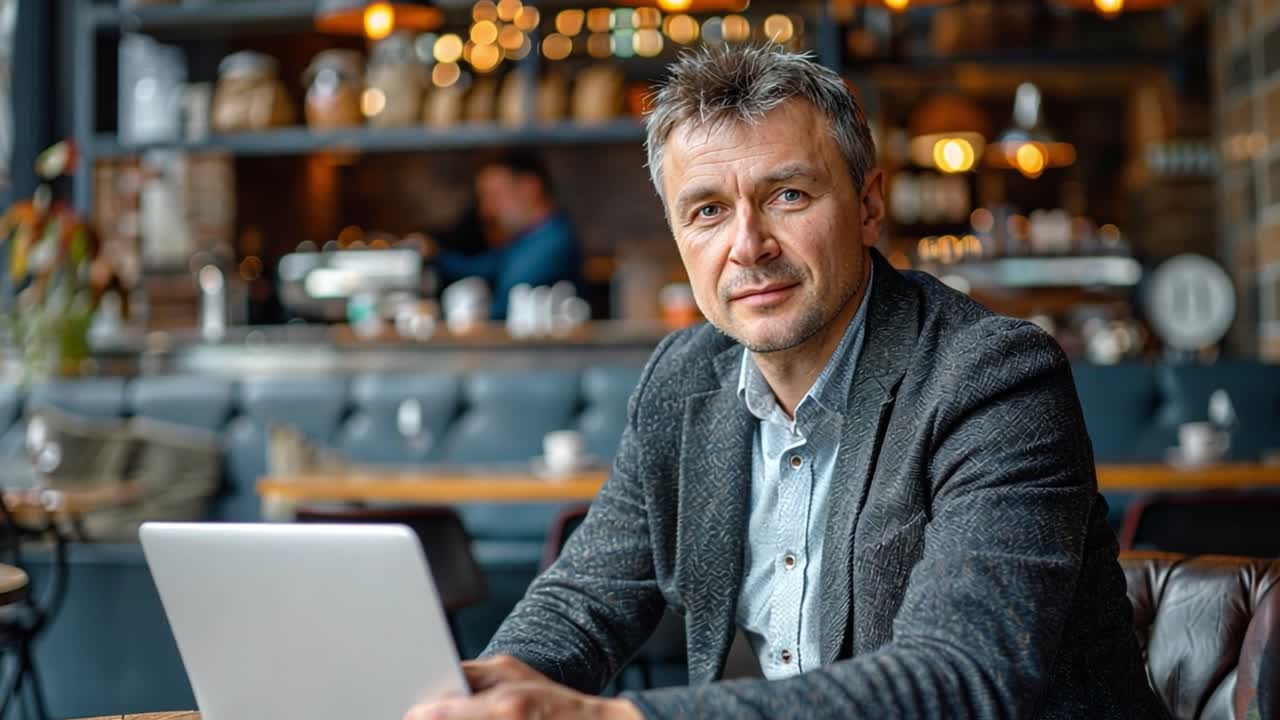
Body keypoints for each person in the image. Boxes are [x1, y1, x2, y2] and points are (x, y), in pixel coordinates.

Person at [407, 46, 1167, 720]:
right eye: (707, 211)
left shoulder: (993, 379)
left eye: (788, 196)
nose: (748, 246)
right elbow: (585, 602)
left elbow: (962, 677)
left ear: (868, 206)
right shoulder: (683, 380)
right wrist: (484, 689)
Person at [431, 151, 583, 321]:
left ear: (529, 188)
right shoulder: (525, 241)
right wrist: (433, 254)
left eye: (495, 195)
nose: (486, 211)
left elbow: (507, 307)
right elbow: (479, 268)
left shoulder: (554, 243)